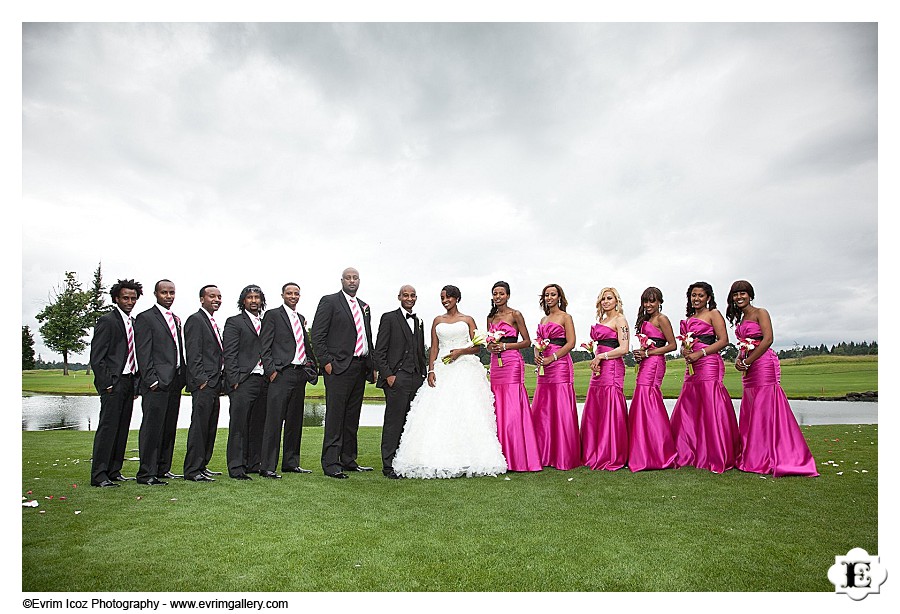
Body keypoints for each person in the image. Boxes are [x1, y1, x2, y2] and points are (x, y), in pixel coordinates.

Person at [393, 285, 507, 478]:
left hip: (464, 368)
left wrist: (460, 352)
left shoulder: (468, 320)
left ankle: (470, 458)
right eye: (442, 298)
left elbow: (477, 347)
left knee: (466, 411)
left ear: (456, 298)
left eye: (448, 298)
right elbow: (434, 348)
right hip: (442, 368)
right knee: (438, 413)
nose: (445, 301)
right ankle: (435, 457)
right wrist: (431, 370)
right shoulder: (437, 320)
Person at [726, 280, 818, 477]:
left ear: (750, 295)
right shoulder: (741, 319)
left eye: (743, 293)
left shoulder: (761, 312)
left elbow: (767, 339)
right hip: (749, 369)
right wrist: (738, 359)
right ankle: (754, 455)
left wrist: (748, 361)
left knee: (766, 408)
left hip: (764, 365)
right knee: (752, 409)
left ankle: (773, 456)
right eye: (736, 294)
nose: (739, 297)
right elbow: (744, 345)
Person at [669, 281, 741, 473]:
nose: (696, 299)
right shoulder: (689, 318)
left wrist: (700, 354)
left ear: (708, 297)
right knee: (690, 405)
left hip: (708, 363)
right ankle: (690, 451)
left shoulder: (713, 314)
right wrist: (686, 349)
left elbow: (724, 340)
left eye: (700, 295)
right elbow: (685, 344)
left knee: (710, 404)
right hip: (691, 365)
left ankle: (716, 452)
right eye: (693, 295)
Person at [311, 268, 376, 479]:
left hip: (359, 368)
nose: (351, 281)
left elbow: (368, 337)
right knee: (335, 416)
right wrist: (327, 363)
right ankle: (331, 463)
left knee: (352, 417)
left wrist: (372, 365)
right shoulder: (329, 302)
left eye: (355, 278)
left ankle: (348, 459)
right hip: (339, 368)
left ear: (359, 281)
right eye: (348, 278)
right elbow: (317, 336)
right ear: (342, 280)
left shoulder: (364, 306)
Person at [258, 282, 318, 479]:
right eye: (289, 293)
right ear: (282, 295)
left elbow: (304, 344)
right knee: (274, 421)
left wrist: (311, 367)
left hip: (299, 374)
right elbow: (264, 346)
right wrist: (271, 371)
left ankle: (291, 463)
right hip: (281, 374)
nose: (293, 296)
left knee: (295, 421)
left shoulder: (300, 318)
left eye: (296, 293)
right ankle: (267, 466)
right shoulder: (273, 315)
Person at [89, 278, 143, 487]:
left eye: (133, 298)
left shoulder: (133, 322)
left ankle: (114, 470)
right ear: (116, 299)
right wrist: (108, 383)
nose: (129, 301)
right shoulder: (107, 321)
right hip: (114, 382)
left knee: (122, 428)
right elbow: (97, 357)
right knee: (108, 429)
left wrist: (135, 384)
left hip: (129, 382)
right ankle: (99, 475)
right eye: (125, 298)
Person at [134, 279, 186, 485]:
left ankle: (163, 468)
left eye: (172, 292)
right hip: (156, 383)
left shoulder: (175, 319)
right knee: (152, 428)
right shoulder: (145, 318)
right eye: (164, 293)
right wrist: (151, 380)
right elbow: (143, 353)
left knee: (168, 427)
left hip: (174, 382)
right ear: (155, 294)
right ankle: (147, 473)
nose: (168, 296)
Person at [486, 281, 541, 472]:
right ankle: (500, 456)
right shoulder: (491, 317)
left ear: (508, 295)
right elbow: (487, 342)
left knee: (512, 409)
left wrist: (505, 346)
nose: (498, 296)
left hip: (511, 362)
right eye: (495, 293)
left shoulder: (515, 314)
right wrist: (491, 346)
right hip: (496, 363)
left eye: (501, 293)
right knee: (497, 407)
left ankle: (518, 456)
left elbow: (527, 342)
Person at [373, 285, 427, 479]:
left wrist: (423, 373)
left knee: (410, 423)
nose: (409, 298)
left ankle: (404, 462)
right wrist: (389, 375)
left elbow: (420, 351)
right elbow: (379, 351)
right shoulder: (389, 318)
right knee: (393, 422)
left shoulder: (419, 321)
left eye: (413, 295)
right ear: (399, 297)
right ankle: (388, 465)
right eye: (406, 295)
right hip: (397, 377)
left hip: (416, 378)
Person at [628, 287, 678, 472]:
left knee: (649, 400)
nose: (649, 305)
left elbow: (672, 345)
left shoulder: (662, 319)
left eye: (652, 301)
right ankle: (643, 449)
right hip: (646, 362)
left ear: (659, 302)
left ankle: (660, 451)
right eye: (646, 301)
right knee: (642, 400)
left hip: (656, 363)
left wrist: (648, 352)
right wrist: (640, 355)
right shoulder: (645, 320)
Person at [532, 283, 580, 470]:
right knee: (544, 408)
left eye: (553, 294)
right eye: (546, 295)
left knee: (560, 407)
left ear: (559, 297)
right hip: (544, 367)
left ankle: (563, 454)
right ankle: (545, 453)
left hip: (559, 364)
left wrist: (553, 357)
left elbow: (571, 343)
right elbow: (538, 342)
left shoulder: (565, 317)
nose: (550, 297)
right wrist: (537, 353)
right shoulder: (543, 320)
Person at [580, 287, 629, 471]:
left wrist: (602, 357)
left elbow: (624, 349)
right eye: (603, 299)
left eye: (609, 298)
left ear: (616, 300)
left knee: (611, 406)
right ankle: (595, 450)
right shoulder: (602, 320)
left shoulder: (620, 320)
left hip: (613, 368)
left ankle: (612, 453)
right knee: (597, 406)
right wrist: (596, 356)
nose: (606, 301)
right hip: (599, 368)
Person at [223, 285, 269, 480]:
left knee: (258, 424)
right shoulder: (234, 322)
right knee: (239, 426)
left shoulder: (267, 322)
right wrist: (234, 380)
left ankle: (253, 463)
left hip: (264, 380)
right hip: (243, 380)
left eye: (257, 297)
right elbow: (230, 353)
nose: (253, 301)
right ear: (243, 301)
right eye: (250, 297)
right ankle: (236, 467)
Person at [182, 285, 225, 482]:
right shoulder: (195, 320)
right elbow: (193, 353)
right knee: (199, 427)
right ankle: (192, 469)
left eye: (219, 297)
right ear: (202, 299)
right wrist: (202, 380)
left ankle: (202, 465)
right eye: (211, 296)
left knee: (210, 426)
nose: (216, 299)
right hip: (204, 384)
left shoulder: (212, 321)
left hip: (215, 384)